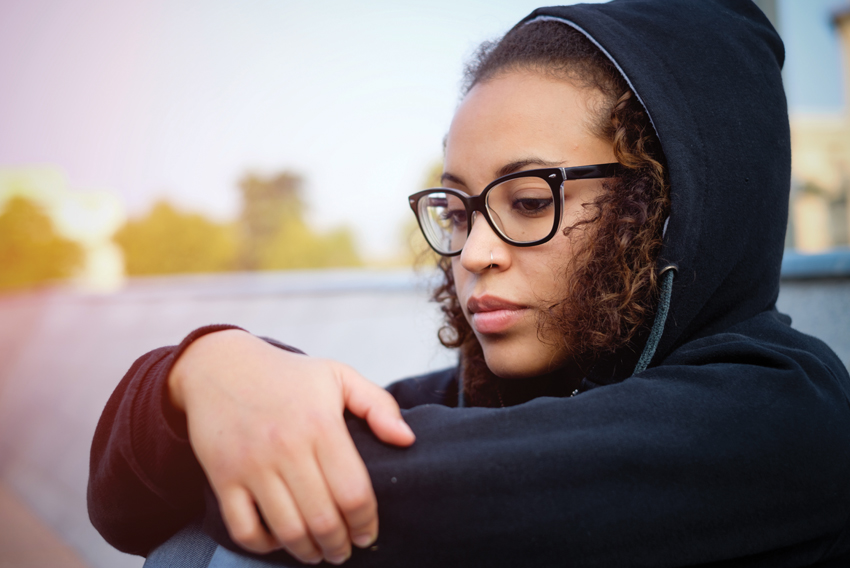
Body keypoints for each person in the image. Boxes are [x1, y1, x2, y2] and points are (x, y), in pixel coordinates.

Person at [88, 1, 850, 566]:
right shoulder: (472, 400)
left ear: (666, 208)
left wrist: (217, 395)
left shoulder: (790, 411)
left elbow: (366, 486)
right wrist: (205, 366)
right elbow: (120, 505)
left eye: (526, 201)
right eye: (457, 209)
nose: (473, 253)